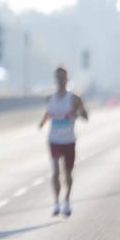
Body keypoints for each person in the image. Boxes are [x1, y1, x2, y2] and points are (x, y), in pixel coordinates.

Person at [38, 66, 89, 217]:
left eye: (63, 76)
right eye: (58, 76)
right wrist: (42, 122)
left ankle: (66, 200)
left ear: (67, 78)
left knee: (67, 173)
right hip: (54, 140)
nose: (60, 79)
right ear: (55, 78)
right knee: (55, 172)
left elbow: (86, 116)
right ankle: (56, 202)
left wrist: (78, 112)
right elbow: (49, 112)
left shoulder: (74, 98)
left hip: (69, 140)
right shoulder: (50, 98)